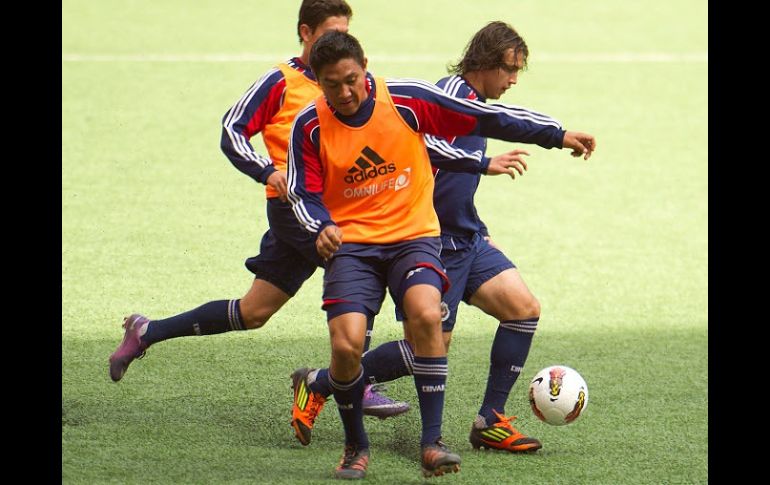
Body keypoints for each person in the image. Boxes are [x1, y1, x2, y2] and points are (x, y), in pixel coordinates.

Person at [286, 30, 595, 479]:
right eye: (509, 68)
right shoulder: (427, 100)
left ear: (365, 66)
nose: (513, 79)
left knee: (521, 309)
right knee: (417, 344)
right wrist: (321, 225)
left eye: (352, 79)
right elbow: (425, 153)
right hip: (425, 241)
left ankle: (485, 421)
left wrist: (552, 138)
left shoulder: (421, 99)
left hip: (456, 237)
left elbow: (468, 143)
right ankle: (320, 382)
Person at [107, 0, 410, 418]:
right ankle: (356, 384)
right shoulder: (280, 81)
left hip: (334, 208)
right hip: (296, 211)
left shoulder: (349, 82)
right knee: (361, 268)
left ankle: (148, 331)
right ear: (305, 33)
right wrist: (267, 172)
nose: (337, 44)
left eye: (345, 34)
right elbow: (232, 129)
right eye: (329, 33)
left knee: (254, 312)